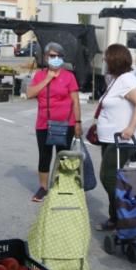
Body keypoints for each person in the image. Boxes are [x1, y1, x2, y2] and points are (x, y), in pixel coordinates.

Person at [95, 44, 136, 231]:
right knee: (114, 178)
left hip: (122, 139)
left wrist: (131, 128)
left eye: (106, 57)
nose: (104, 60)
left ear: (114, 59)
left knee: (108, 177)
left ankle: (126, 213)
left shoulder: (126, 80)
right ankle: (115, 218)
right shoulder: (117, 79)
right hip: (110, 138)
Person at [26, 42, 82, 202]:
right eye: (52, 56)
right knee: (44, 156)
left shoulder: (69, 76)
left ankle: (61, 186)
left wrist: (78, 122)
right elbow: (29, 94)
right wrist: (48, 79)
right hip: (44, 123)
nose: (55, 59)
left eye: (58, 56)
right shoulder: (40, 75)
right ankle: (43, 187)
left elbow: (75, 101)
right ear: (45, 57)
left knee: (63, 156)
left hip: (66, 123)